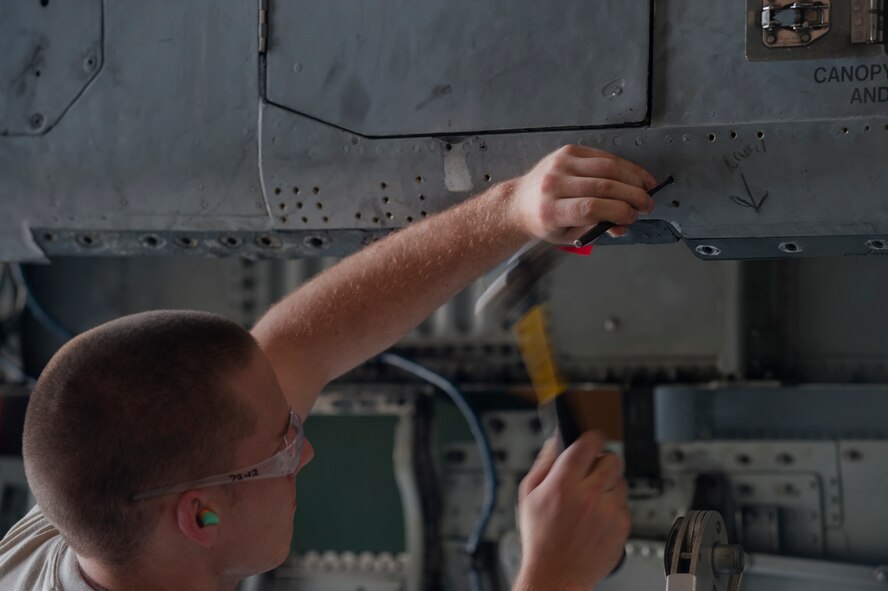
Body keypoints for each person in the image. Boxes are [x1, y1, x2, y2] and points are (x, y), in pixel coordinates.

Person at [0, 145, 656, 590]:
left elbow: (299, 343)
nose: (304, 448)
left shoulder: (87, 524)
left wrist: (511, 209)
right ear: (200, 517)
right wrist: (554, 572)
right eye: (281, 444)